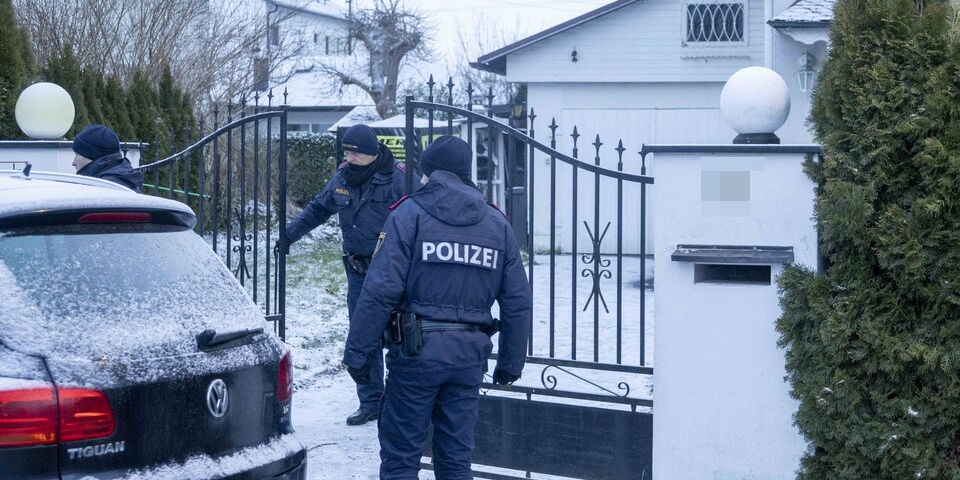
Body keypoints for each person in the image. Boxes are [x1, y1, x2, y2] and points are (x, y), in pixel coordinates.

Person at [341, 135, 532, 479]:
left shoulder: (408, 214)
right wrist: (510, 362)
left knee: (401, 460)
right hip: (468, 359)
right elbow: (517, 301)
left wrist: (357, 353)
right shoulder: (497, 225)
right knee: (455, 460)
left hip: (415, 355)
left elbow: (380, 290)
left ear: (429, 172)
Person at [278, 124, 416, 426]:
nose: (349, 158)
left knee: (400, 334)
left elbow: (422, 215)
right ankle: (371, 402)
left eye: (355, 153)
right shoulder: (343, 176)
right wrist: (289, 235)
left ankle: (402, 401)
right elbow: (319, 208)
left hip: (394, 271)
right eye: (347, 152)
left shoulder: (399, 178)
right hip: (358, 270)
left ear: (371, 153)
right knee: (363, 334)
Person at [72, 124, 143, 192]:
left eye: (77, 154)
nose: (73, 163)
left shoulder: (102, 189)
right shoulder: (119, 182)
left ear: (92, 156)